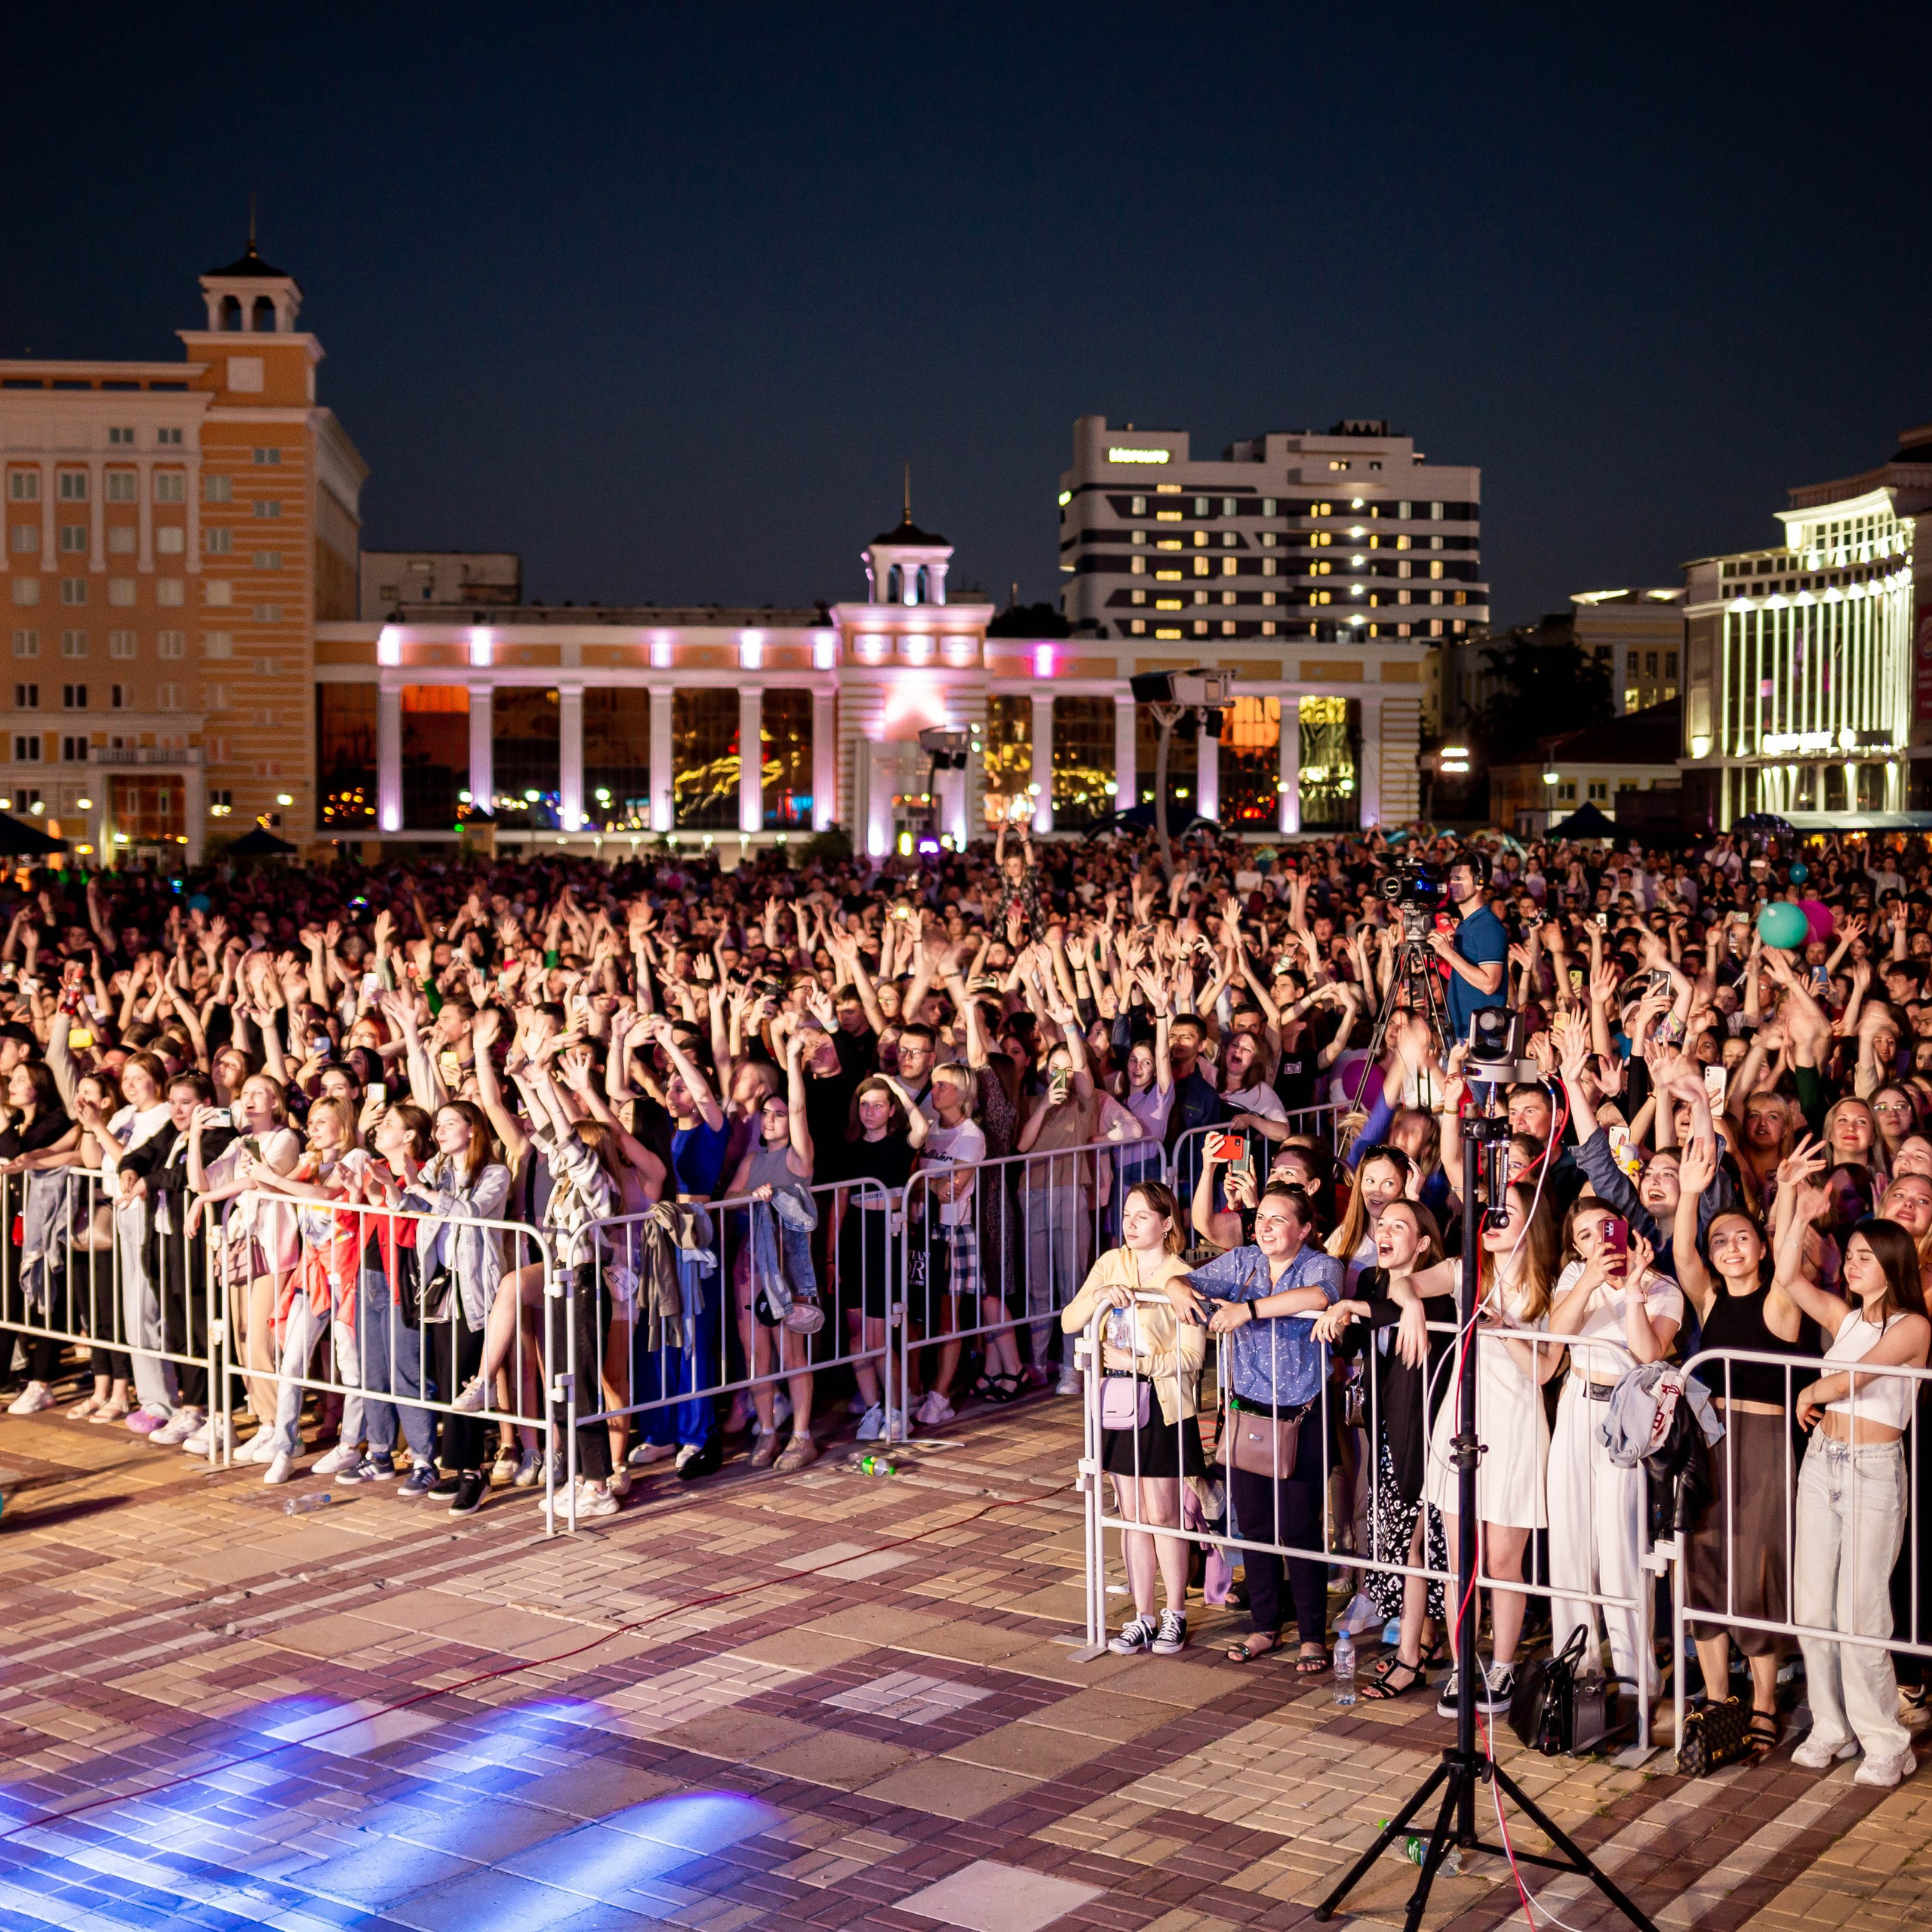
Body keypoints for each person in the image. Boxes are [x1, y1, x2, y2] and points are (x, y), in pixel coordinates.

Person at [1776, 1192, 1930, 1787]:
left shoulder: (1913, 1325)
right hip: (1822, 1461)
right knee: (1813, 1605)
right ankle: (1831, 1726)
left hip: (1872, 1468)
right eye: (1853, 1255)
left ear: (1892, 1264)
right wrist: (1795, 1203)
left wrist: (1814, 1392)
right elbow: (1788, 1276)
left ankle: (1887, 1740)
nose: (1853, 1265)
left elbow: (1863, 1375)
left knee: (1860, 1611)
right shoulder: (1846, 1319)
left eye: (1865, 1257)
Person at [1168, 1182, 1342, 1672]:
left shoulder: (1319, 1264)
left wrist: (1247, 1310)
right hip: (1246, 1413)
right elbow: (1184, 1277)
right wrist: (1179, 1287)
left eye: (1278, 1219)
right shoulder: (1242, 1261)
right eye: (1260, 1217)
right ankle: (1265, 1626)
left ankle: (1312, 1635)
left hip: (1301, 1415)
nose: (1264, 1226)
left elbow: (1319, 1295)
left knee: (1300, 1529)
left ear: (1305, 1228)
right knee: (1254, 1529)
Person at [1061, 1180, 1201, 1657]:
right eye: (1126, 1215)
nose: (1131, 1224)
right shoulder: (1110, 1262)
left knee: (1163, 1514)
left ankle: (1175, 1613)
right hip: (1117, 1399)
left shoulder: (1180, 1276)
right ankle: (1143, 1613)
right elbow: (1070, 1320)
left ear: (1167, 1225)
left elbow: (1191, 1355)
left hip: (1161, 1402)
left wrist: (1134, 1359)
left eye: (1142, 1216)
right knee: (1133, 1514)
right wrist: (1101, 1293)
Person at [1429, 853, 1507, 1051]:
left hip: (1478, 1037)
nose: (1452, 885)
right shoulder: (1466, 925)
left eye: (1459, 879)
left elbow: (1490, 984)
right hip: (1460, 1032)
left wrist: (1449, 953)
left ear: (1479, 883)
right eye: (1451, 879)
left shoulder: (1488, 926)